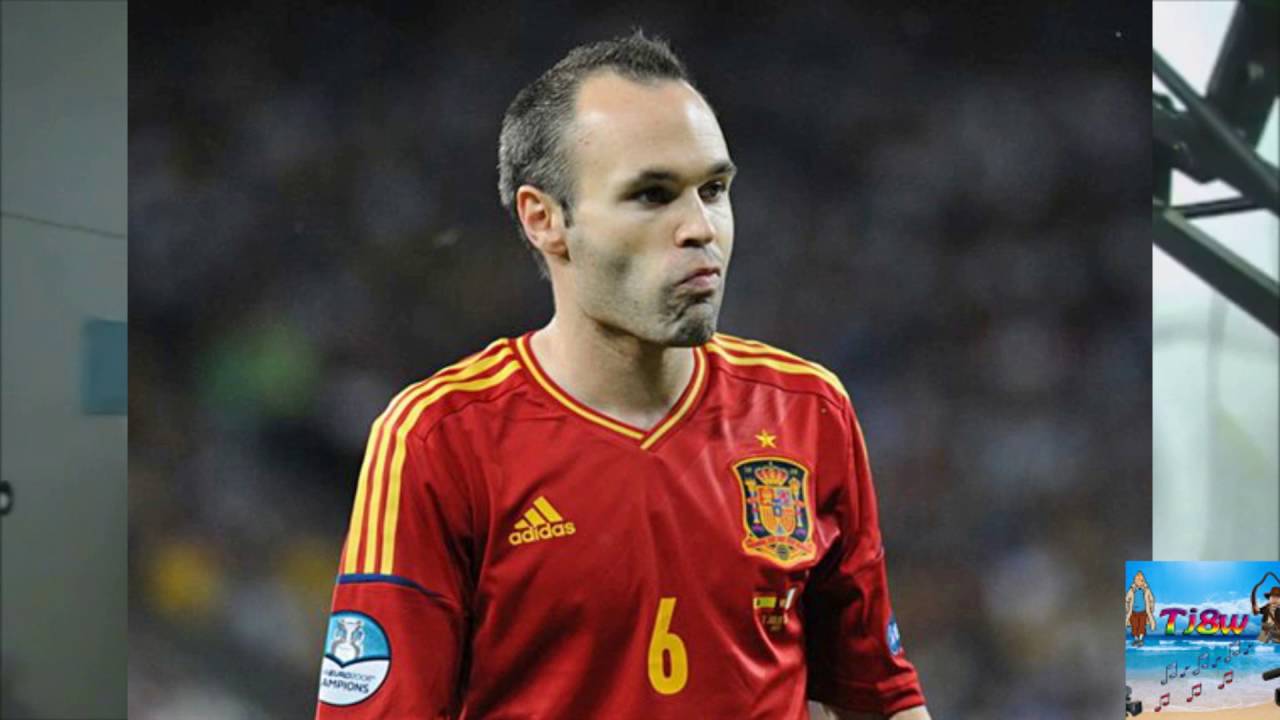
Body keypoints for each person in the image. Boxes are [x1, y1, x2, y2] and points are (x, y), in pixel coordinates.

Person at [315, 30, 928, 719]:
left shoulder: (807, 412)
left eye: (714, 189)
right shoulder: (438, 440)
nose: (701, 228)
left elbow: (878, 697)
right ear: (545, 220)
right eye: (652, 195)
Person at [1125, 571, 1155, 647]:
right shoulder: (1132, 590)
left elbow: (1151, 599)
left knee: (1142, 626)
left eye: (1141, 580)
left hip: (1143, 612)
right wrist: (1127, 608)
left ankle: (1140, 639)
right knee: (1134, 626)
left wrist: (1151, 607)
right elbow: (1127, 599)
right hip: (1133, 612)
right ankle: (1136, 639)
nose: (1139, 582)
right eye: (1137, 580)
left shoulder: (1146, 590)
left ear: (1143, 581)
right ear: (1135, 581)